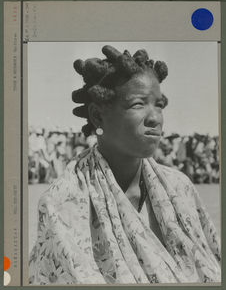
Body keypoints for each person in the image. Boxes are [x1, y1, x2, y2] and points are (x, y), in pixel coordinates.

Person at [29, 45, 221, 285]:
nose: (155, 118)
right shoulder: (64, 201)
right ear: (98, 116)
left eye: (158, 104)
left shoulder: (180, 189)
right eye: (138, 104)